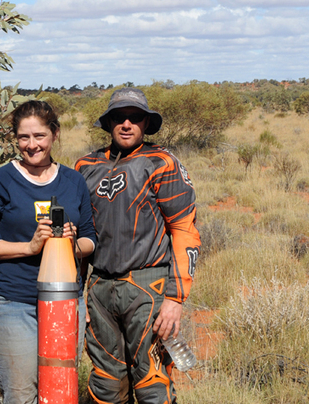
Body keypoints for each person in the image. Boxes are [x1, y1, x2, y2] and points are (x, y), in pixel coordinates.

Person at [75, 88, 201, 404]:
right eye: (119, 117)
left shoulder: (162, 163)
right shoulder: (84, 167)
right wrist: (77, 295)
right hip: (100, 288)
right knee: (105, 383)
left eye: (135, 117)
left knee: (152, 382)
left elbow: (185, 231)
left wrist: (175, 298)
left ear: (146, 123)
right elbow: (76, 239)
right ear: (108, 123)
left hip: (149, 287)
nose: (127, 124)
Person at [0, 100, 96, 404]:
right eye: (24, 137)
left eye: (39, 136)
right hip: (14, 303)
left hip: (66, 303)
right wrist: (29, 247)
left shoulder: (73, 180)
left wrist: (70, 241)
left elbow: (91, 241)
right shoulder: (0, 180)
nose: (32, 145)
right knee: (22, 395)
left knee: (61, 391)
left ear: (54, 134)